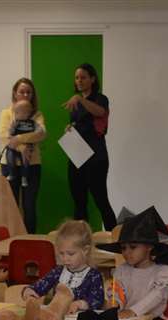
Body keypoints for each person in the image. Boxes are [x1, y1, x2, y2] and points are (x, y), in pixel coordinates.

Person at [62, 63, 115, 230]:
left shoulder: (100, 98)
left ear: (92, 79)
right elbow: (80, 124)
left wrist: (80, 99)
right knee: (79, 202)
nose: (79, 81)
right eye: (77, 77)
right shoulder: (76, 102)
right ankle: (81, 240)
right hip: (77, 155)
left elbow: (100, 112)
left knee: (101, 200)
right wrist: (70, 128)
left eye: (83, 77)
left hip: (96, 157)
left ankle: (116, 242)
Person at [0, 79, 46, 233]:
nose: (25, 95)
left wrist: (18, 139)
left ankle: (30, 240)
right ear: (15, 93)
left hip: (32, 166)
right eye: (22, 92)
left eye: (28, 92)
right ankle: (11, 242)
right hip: (9, 166)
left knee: (29, 206)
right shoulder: (6, 114)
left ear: (33, 95)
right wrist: (23, 147)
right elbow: (4, 136)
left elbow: (41, 134)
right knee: (10, 206)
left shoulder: (37, 114)